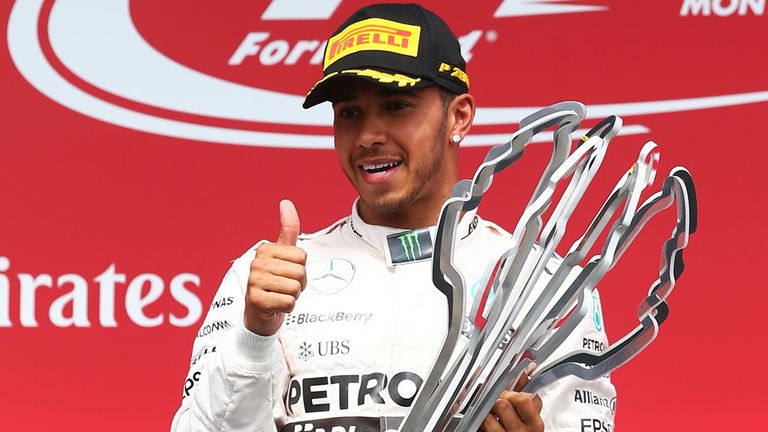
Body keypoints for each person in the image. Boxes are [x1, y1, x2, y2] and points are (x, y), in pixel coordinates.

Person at [171, 4, 616, 432]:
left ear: (458, 116)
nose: (367, 136)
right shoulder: (270, 274)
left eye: (397, 106)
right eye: (349, 113)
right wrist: (255, 336)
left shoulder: (544, 285)